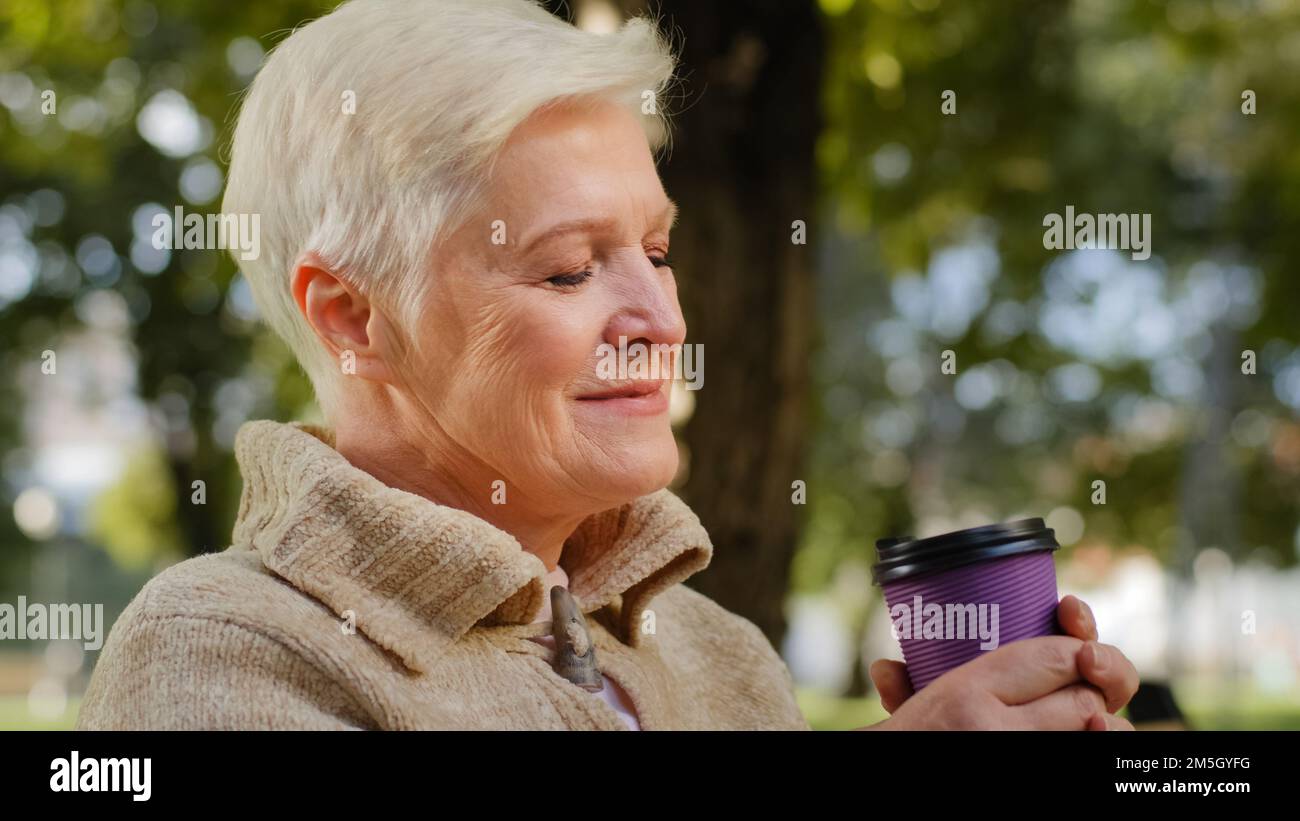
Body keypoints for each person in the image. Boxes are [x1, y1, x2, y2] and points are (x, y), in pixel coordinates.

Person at [76, 0, 1137, 730]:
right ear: (354, 317)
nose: (659, 318)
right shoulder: (217, 652)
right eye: (571, 269)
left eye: (658, 252)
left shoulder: (720, 655)